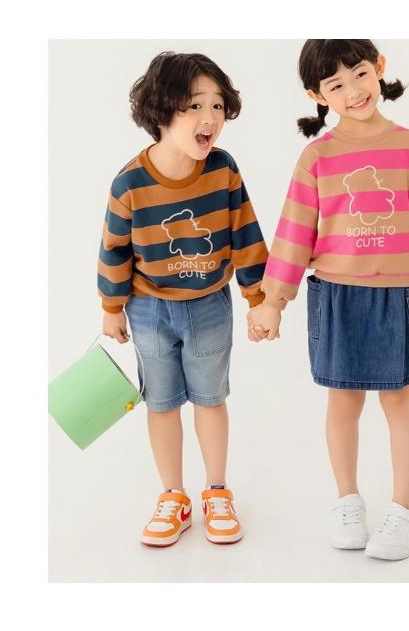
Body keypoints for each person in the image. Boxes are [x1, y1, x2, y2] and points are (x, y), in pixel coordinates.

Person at [248, 39, 409, 561]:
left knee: (400, 402)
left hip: (398, 296)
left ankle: (404, 509)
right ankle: (347, 501)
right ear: (317, 95)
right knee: (342, 402)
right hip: (336, 296)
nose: (353, 91)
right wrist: (273, 300)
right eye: (336, 84)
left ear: (379, 68)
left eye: (358, 74)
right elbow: (294, 232)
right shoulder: (317, 157)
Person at [99, 51, 268, 547]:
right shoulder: (130, 183)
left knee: (211, 400)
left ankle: (217, 490)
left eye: (217, 105)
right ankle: (173, 496)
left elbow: (245, 233)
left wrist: (258, 297)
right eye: (195, 105)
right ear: (161, 111)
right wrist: (111, 308)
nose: (209, 117)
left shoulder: (223, 170)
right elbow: (114, 249)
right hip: (149, 309)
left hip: (210, 305)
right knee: (162, 403)